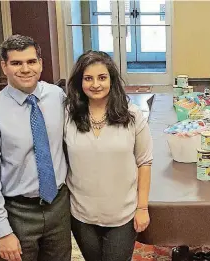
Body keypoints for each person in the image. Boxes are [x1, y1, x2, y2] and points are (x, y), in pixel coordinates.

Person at [0, 35, 71, 261]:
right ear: (4, 66)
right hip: (17, 212)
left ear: (40, 63)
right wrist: (2, 231)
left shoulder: (56, 97)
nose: (26, 69)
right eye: (16, 63)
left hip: (58, 206)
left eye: (31, 61)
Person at [64, 50, 153, 261]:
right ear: (79, 82)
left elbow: (144, 162)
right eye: (88, 78)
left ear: (112, 80)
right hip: (82, 215)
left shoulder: (131, 115)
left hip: (122, 215)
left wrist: (142, 207)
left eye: (102, 77)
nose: (96, 84)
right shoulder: (68, 115)